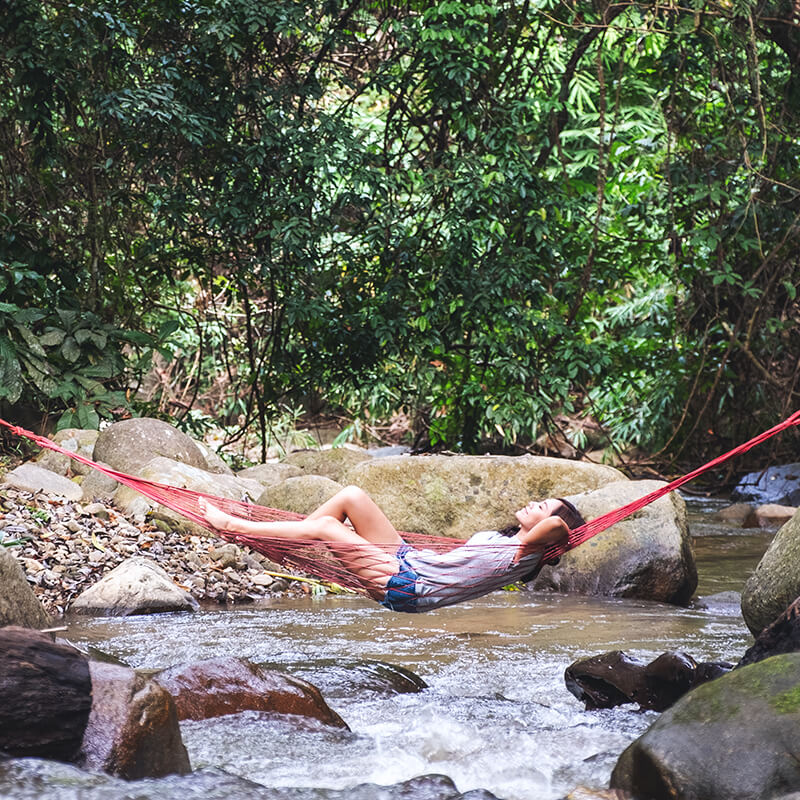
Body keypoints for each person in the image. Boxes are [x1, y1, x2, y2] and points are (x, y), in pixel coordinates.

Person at [199, 486, 585, 613]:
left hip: (407, 585)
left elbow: (555, 525)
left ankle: (235, 527)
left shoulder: (525, 553)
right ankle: (282, 542)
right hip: (408, 559)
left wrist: (567, 533)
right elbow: (550, 522)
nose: (536, 506)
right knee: (352, 496)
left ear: (551, 543)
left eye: (543, 506)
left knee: (327, 527)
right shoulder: (510, 540)